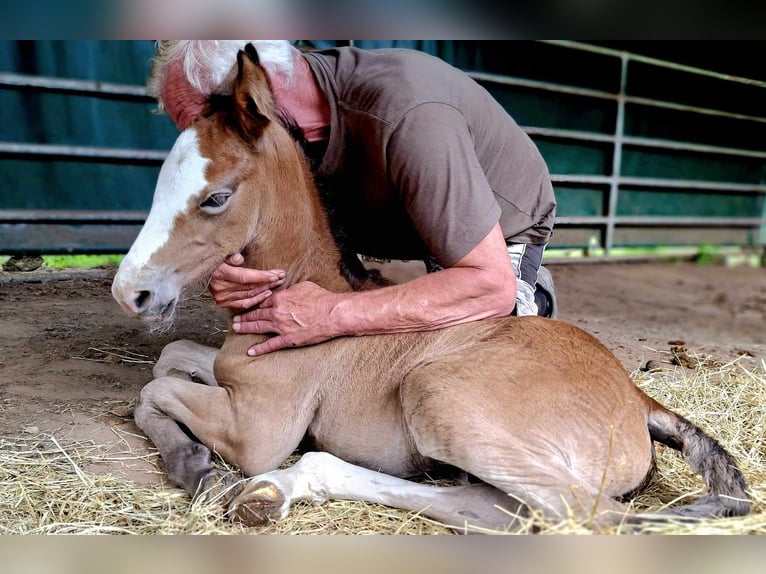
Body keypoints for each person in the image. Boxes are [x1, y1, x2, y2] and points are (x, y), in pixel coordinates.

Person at [148, 40, 557, 356]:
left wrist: (332, 312)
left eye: (209, 126)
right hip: (386, 216)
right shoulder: (279, 131)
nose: (203, 144)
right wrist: (225, 271)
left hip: (499, 233)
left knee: (466, 349)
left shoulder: (410, 116)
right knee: (307, 331)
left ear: (254, 93)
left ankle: (531, 294)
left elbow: (488, 286)